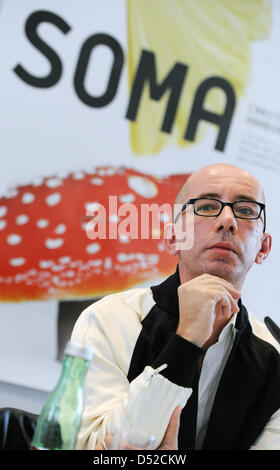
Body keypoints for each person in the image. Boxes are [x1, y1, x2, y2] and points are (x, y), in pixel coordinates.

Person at [71, 163, 280, 450]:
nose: (228, 220)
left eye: (245, 211)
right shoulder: (109, 319)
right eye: (207, 206)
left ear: (263, 248)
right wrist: (186, 340)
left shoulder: (275, 360)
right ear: (172, 237)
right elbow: (90, 447)